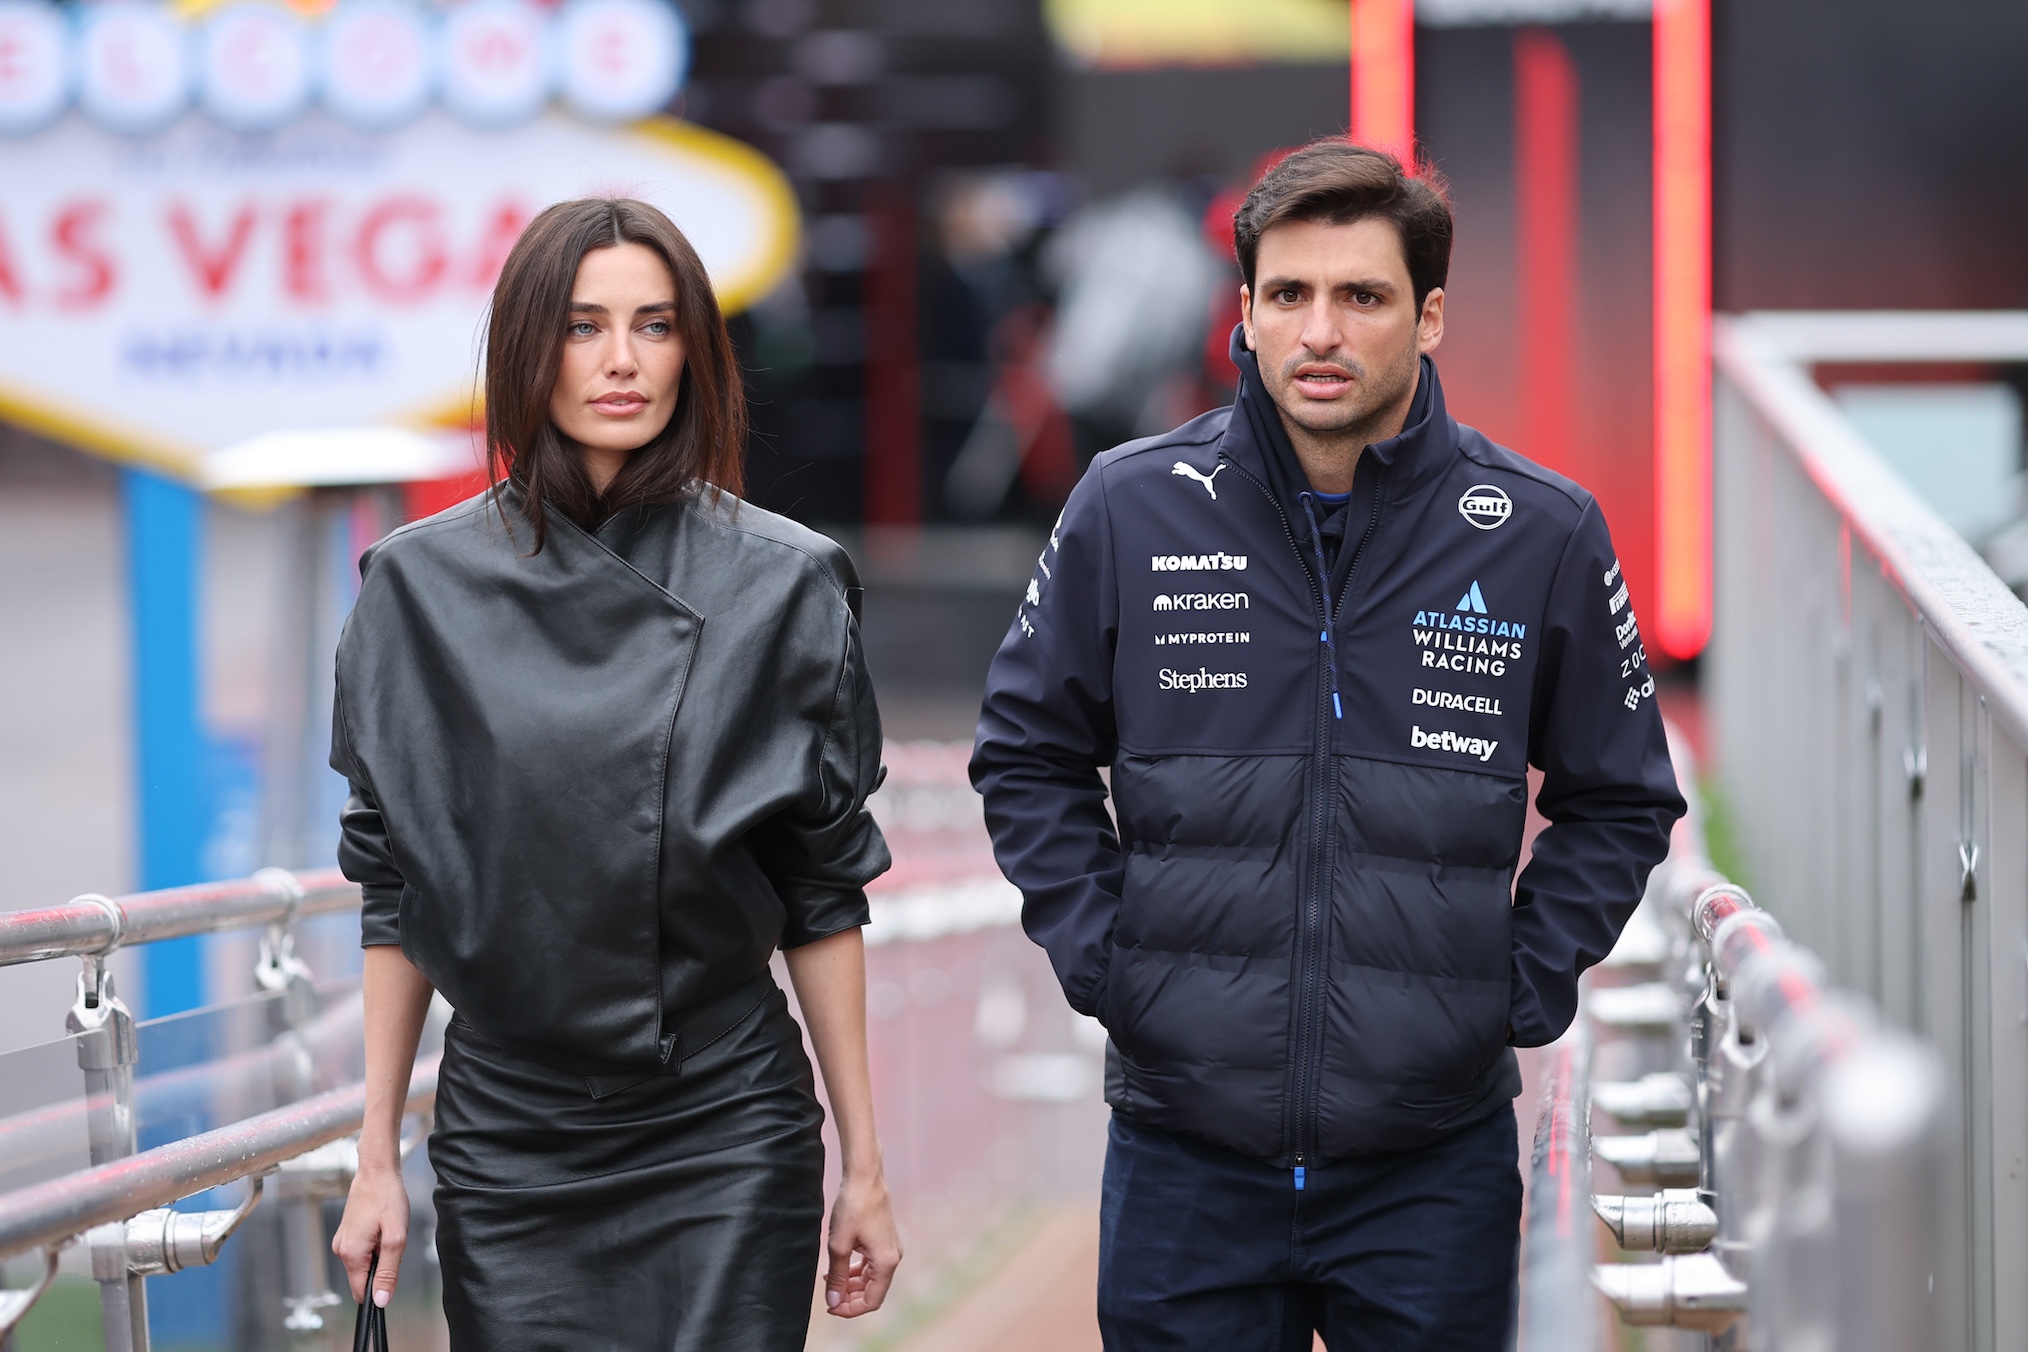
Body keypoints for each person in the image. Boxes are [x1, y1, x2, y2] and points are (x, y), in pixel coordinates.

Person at [971, 140, 1684, 1348]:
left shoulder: (1541, 531)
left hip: (1431, 1166)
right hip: (1184, 1155)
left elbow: (1621, 795)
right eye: (1288, 293)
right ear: (1244, 313)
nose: (1320, 331)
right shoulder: (1129, 505)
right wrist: (1114, 964)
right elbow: (1024, 751)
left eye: (1362, 295)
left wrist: (1512, 983)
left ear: (1430, 315)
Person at [328, 197, 902, 1351]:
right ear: (526, 346)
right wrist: (375, 1154)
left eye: (655, 324)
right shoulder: (416, 588)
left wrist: (866, 1167)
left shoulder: (787, 582)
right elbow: (396, 887)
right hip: (510, 1131)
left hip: (723, 1117)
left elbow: (822, 886)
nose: (622, 359)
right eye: (583, 325)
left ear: (695, 350)